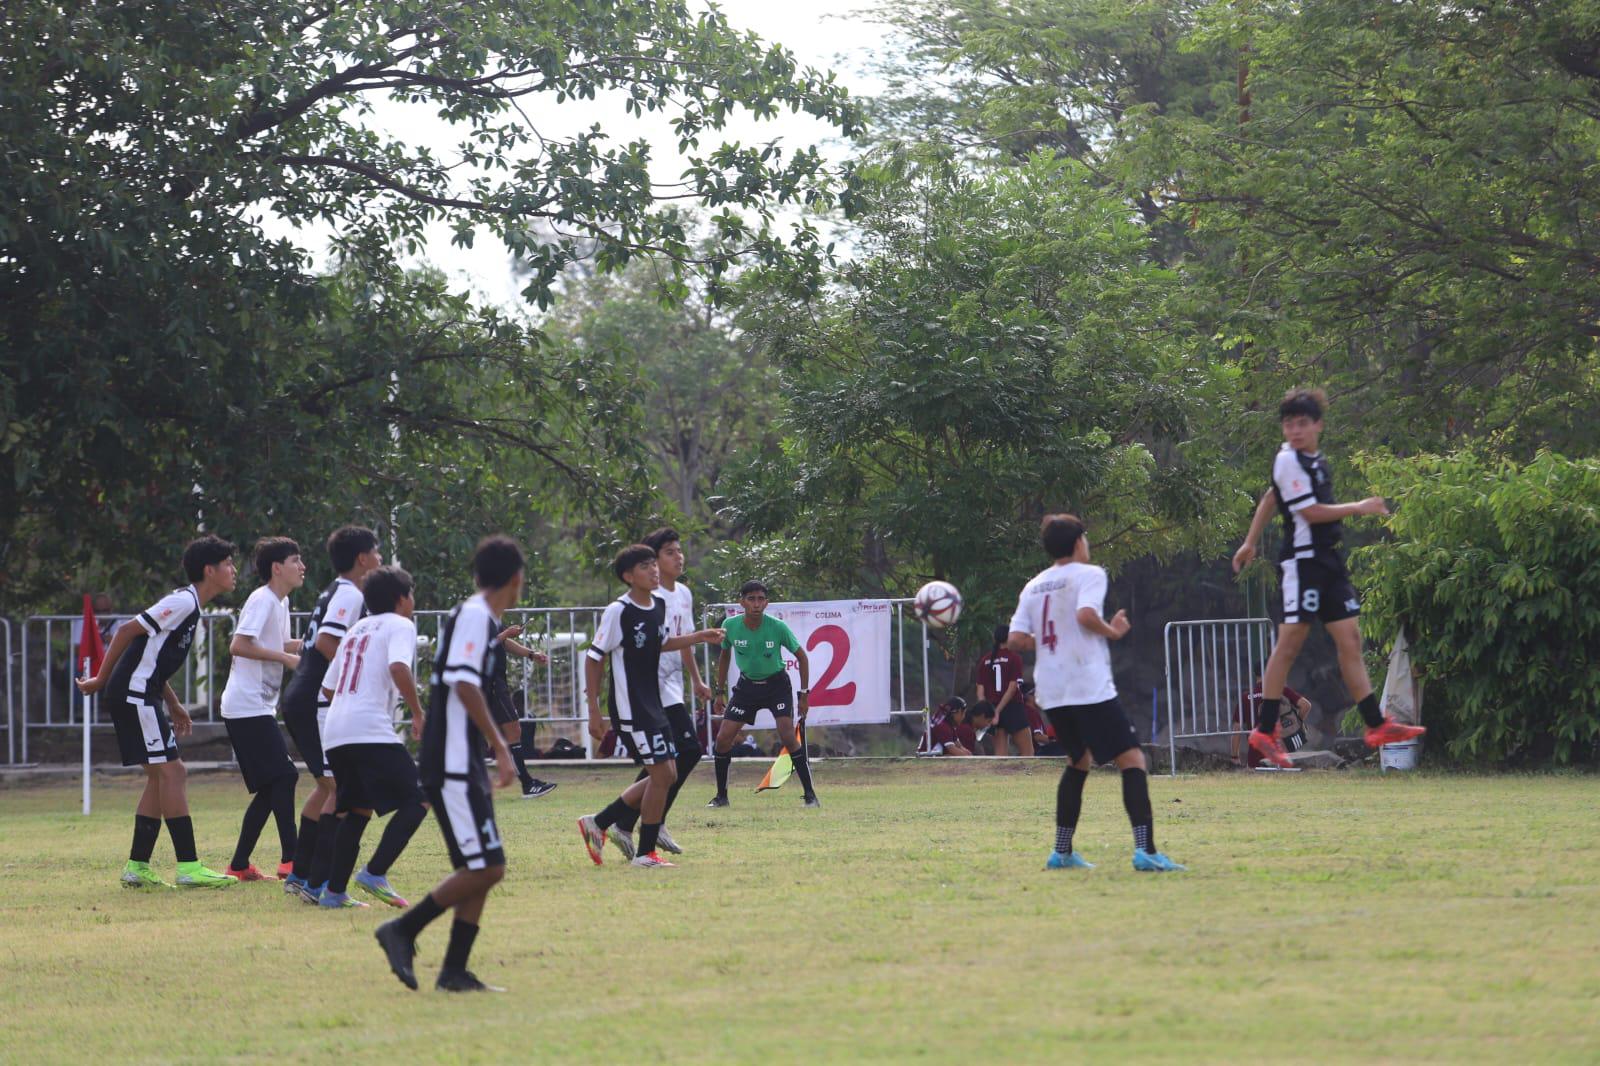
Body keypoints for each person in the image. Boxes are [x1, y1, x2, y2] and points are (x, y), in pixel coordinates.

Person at [1232, 389, 1425, 767]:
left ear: (1318, 425)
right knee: (1289, 644)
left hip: (1329, 563)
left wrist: (1250, 542)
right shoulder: (1287, 459)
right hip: (1303, 565)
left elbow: (1272, 498)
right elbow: (1309, 513)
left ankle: (1376, 724)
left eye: (1302, 423)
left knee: (1350, 639)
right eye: (1289, 424)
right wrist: (1360, 507)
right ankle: (1265, 731)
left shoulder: (1314, 461)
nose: (1295, 430)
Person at [374, 536, 523, 993]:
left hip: (460, 759)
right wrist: (499, 745)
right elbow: (462, 683)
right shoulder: (477, 615)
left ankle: (454, 971)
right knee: (487, 867)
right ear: (515, 580)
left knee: (479, 866)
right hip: (454, 759)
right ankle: (402, 929)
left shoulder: (473, 614)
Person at [1008, 514, 1184, 873]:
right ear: (1077, 544)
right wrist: (1112, 631)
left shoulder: (1034, 586)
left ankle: (1061, 852)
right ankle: (1146, 850)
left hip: (1052, 690)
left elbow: (1015, 641)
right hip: (1086, 685)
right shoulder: (1089, 575)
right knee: (1133, 760)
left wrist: (1048, 637)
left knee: (1078, 761)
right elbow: (1087, 615)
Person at [76, 535, 239, 888]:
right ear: (209, 570)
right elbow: (126, 631)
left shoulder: (191, 607)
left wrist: (174, 702)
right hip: (134, 695)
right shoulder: (182, 602)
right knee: (173, 773)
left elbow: (149, 657)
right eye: (228, 564)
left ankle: (138, 867)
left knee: (160, 775)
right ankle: (189, 867)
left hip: (141, 693)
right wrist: (101, 678)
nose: (233, 570)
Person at [576, 544, 723, 868]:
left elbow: (662, 644)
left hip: (654, 702)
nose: (654, 570)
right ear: (629, 576)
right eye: (645, 567)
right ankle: (643, 853)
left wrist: (699, 636)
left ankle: (600, 823)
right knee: (662, 774)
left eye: (654, 565)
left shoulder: (657, 604)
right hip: (631, 708)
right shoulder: (619, 611)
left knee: (667, 773)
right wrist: (595, 711)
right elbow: (594, 657)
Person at [318, 565, 431, 910]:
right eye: (411, 594)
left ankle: (334, 893)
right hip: (368, 728)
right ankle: (374, 872)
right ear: (402, 599)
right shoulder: (401, 624)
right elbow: (399, 667)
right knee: (421, 798)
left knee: (357, 809)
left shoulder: (355, 629)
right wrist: (417, 711)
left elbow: (328, 686)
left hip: (336, 729)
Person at [280, 525, 382, 901]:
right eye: (378, 554)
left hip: (304, 697)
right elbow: (326, 642)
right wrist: (354, 676)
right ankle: (319, 883)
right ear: (362, 559)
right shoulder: (350, 593)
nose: (381, 560)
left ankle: (302, 874)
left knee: (326, 786)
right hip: (315, 700)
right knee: (339, 790)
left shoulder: (340, 591)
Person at [220, 537, 306, 881]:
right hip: (246, 705)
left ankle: (239, 866)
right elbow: (238, 644)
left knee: (274, 785)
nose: (302, 567)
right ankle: (292, 860)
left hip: (258, 706)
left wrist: (303, 644)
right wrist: (285, 657)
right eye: (296, 561)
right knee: (285, 776)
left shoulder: (280, 604)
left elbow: (272, 643)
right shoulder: (262, 599)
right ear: (276, 568)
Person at [705, 580, 817, 809]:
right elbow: (724, 655)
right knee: (723, 738)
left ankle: (810, 795)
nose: (756, 604)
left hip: (777, 686)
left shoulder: (777, 627)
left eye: (760, 599)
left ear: (767, 603)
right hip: (746, 687)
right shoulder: (731, 625)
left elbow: (802, 657)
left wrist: (804, 695)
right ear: (741, 602)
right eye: (751, 599)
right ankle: (721, 797)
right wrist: (719, 692)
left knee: (787, 734)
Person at [488, 622, 556, 799]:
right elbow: (483, 646)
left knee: (482, 735)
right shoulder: (480, 614)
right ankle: (527, 784)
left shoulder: (493, 615)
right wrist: (506, 634)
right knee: (513, 730)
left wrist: (531, 654)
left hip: (496, 681)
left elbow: (501, 642)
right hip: (490, 683)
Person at [976, 624, 1031, 756]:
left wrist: (988, 711)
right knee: (1028, 752)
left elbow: (980, 690)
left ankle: (1002, 777)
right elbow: (1012, 688)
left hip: (993, 707)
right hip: (1012, 707)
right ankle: (1028, 776)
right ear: (1009, 637)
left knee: (1000, 755)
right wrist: (998, 711)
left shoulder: (985, 660)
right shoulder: (1014, 657)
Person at [1234, 680, 1312, 768]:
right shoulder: (1281, 690)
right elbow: (1306, 705)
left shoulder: (1246, 697)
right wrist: (1294, 725)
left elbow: (1237, 727)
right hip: (1280, 747)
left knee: (1255, 780)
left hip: (1255, 752)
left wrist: (1234, 756)